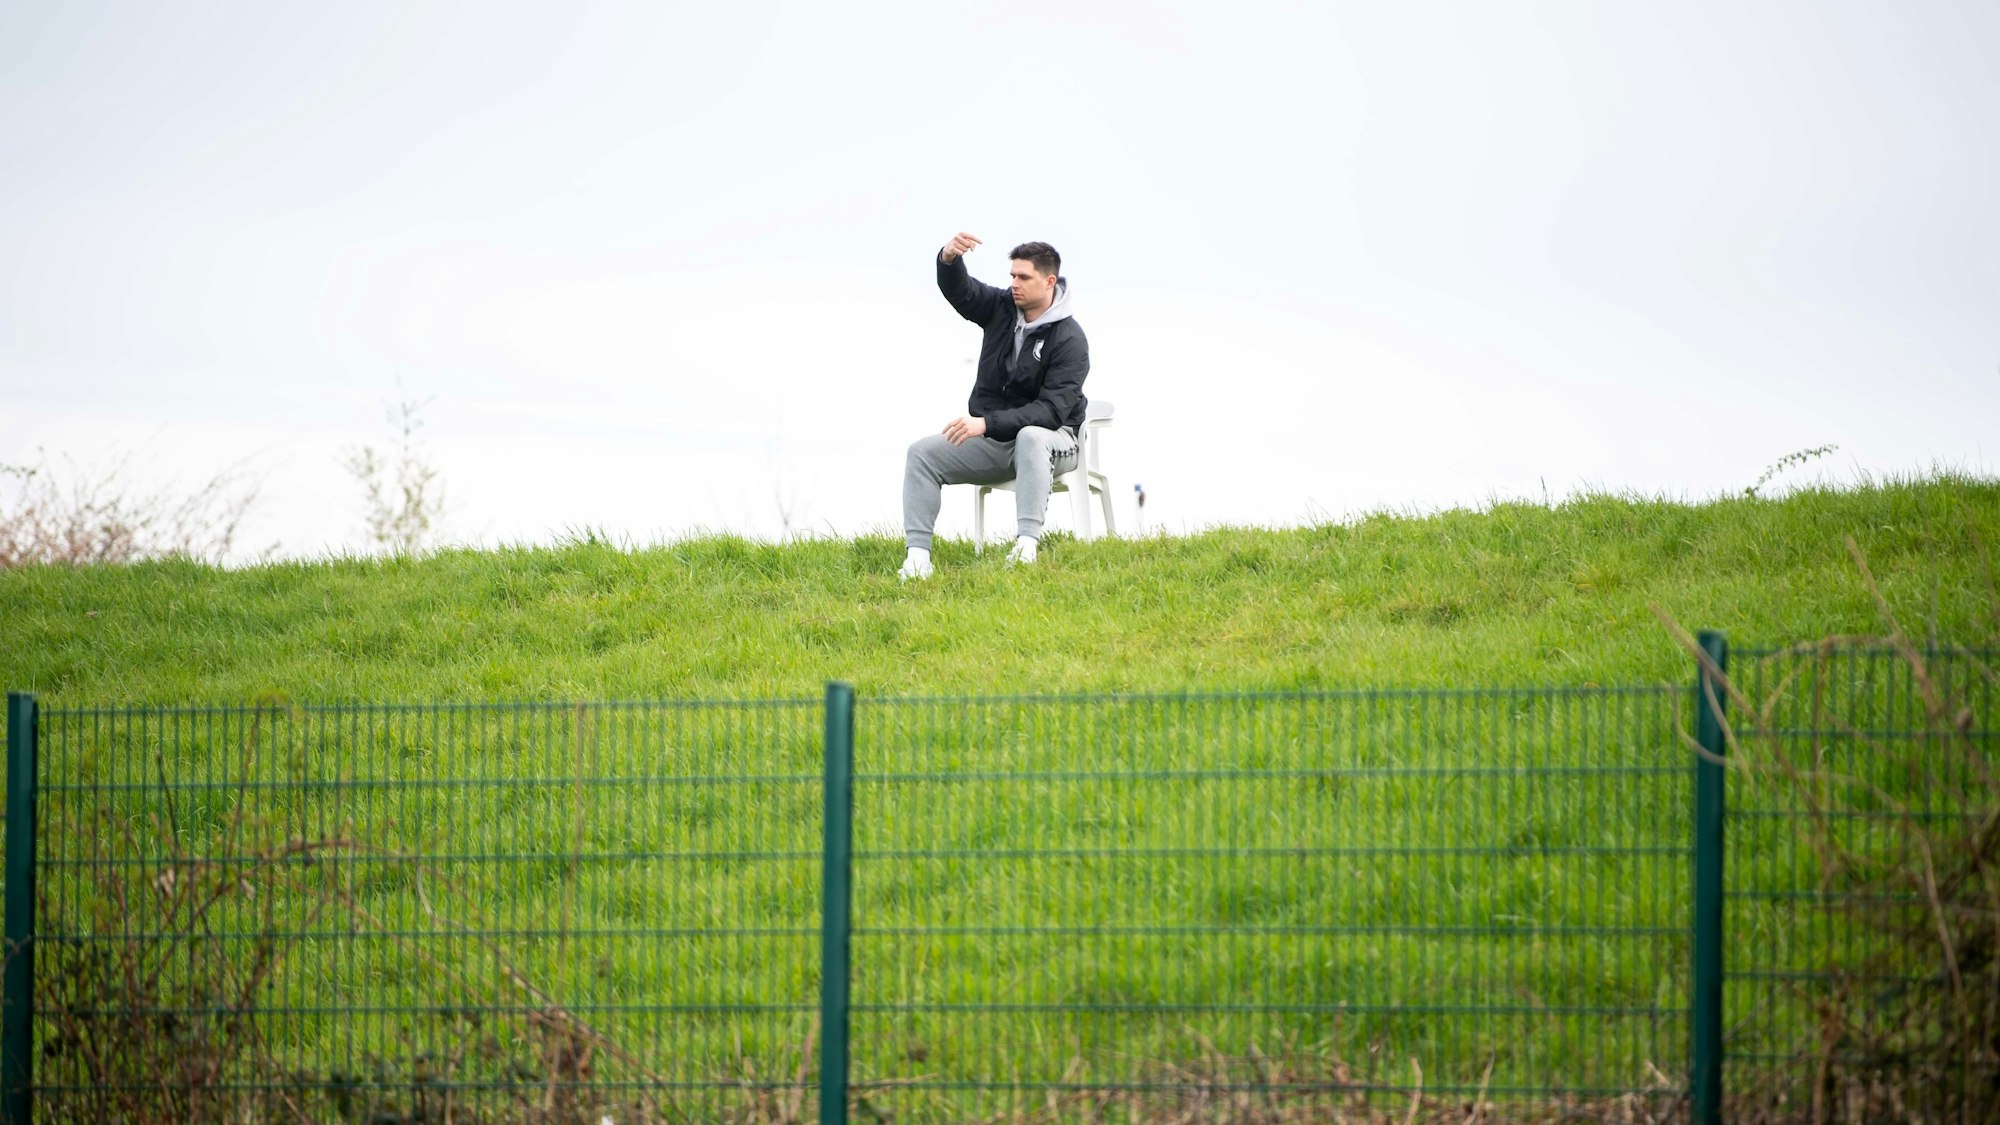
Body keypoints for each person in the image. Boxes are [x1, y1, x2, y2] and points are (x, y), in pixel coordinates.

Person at [899, 232, 1090, 581]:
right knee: (922, 454)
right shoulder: (1002, 308)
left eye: (1023, 277)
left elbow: (1049, 413)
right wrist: (949, 260)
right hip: (998, 441)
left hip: (1057, 441)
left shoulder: (1070, 339)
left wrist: (985, 423)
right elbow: (963, 292)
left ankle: (1026, 547)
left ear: (1049, 281)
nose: (1014, 284)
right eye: (1012, 276)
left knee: (1032, 435)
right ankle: (916, 560)